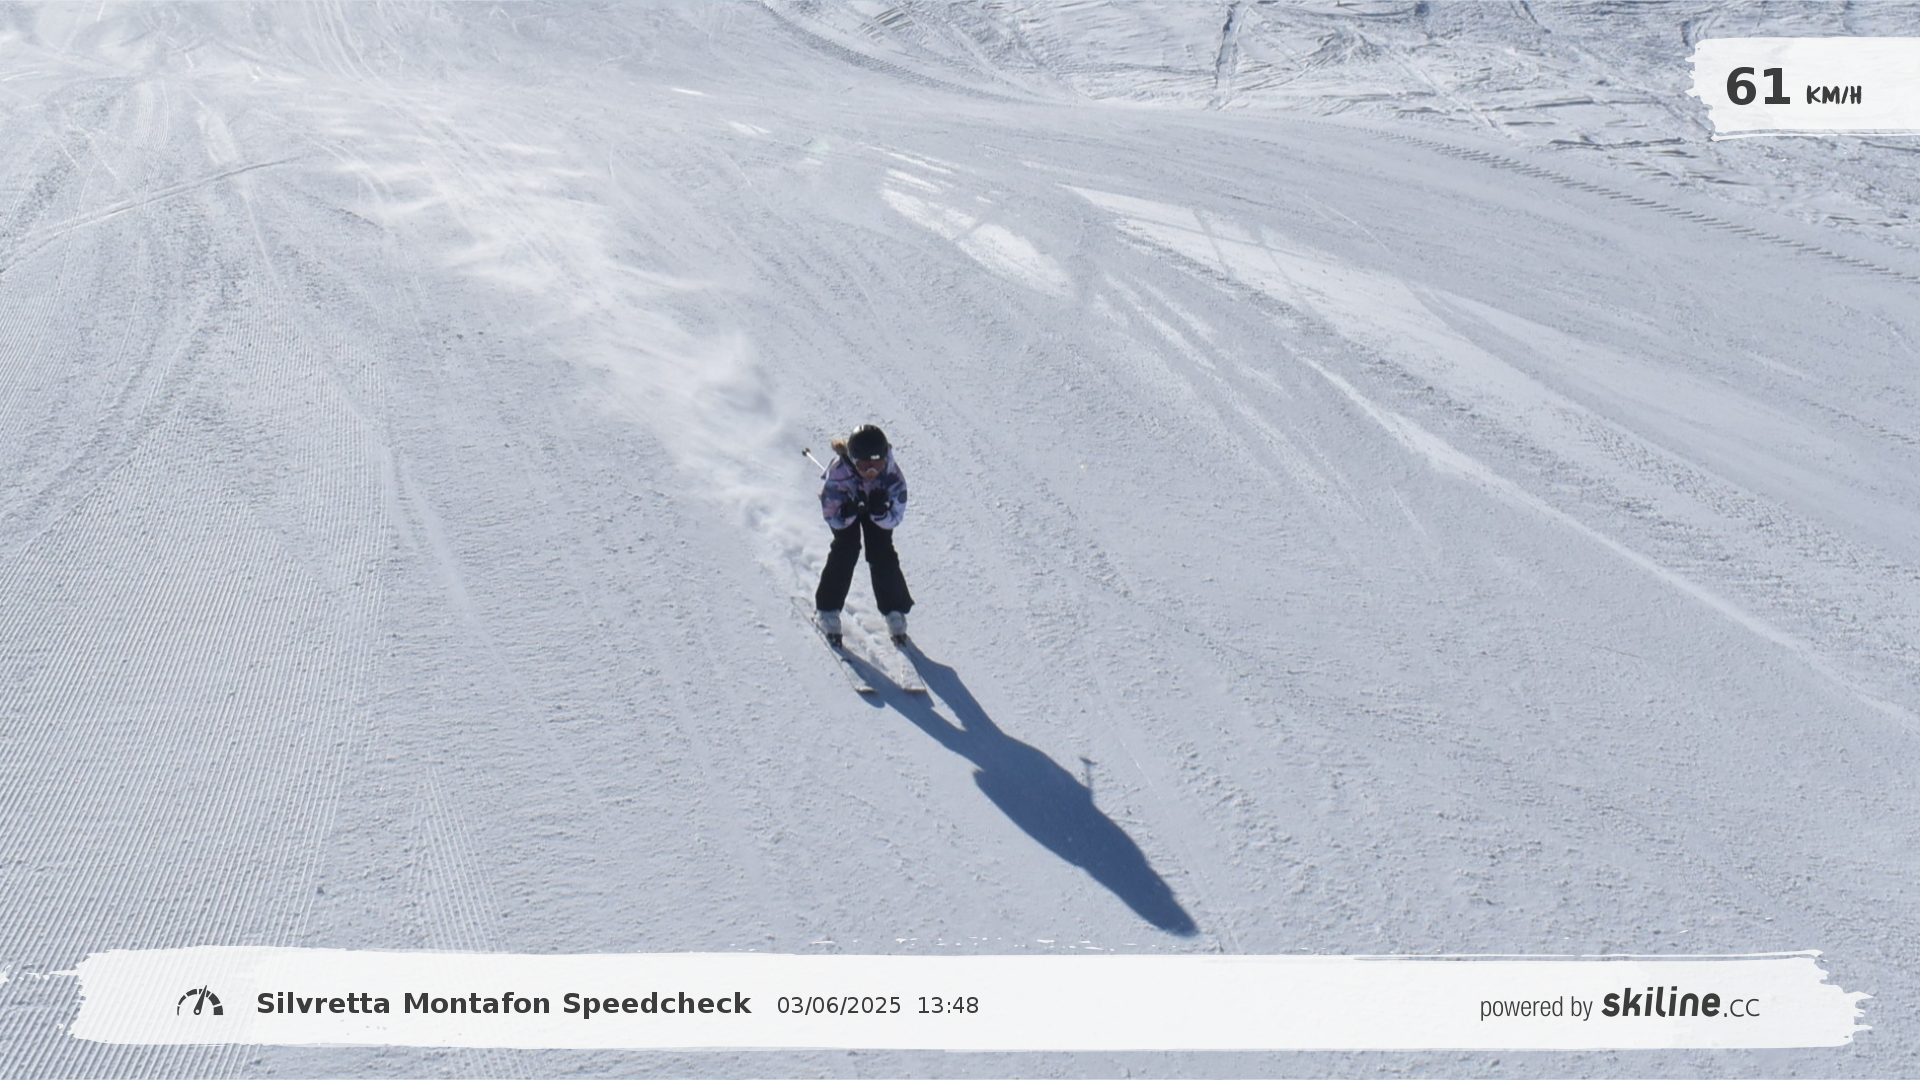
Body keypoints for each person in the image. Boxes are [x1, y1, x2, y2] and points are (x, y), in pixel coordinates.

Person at [815, 424, 913, 644]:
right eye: (864, 464)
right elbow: (831, 515)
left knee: (881, 550)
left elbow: (896, 516)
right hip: (847, 509)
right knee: (846, 548)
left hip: (878, 511)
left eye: (877, 463)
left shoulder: (892, 476)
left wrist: (880, 513)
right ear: (853, 459)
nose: (871, 471)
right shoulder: (839, 474)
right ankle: (828, 609)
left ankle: (894, 610)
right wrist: (847, 513)